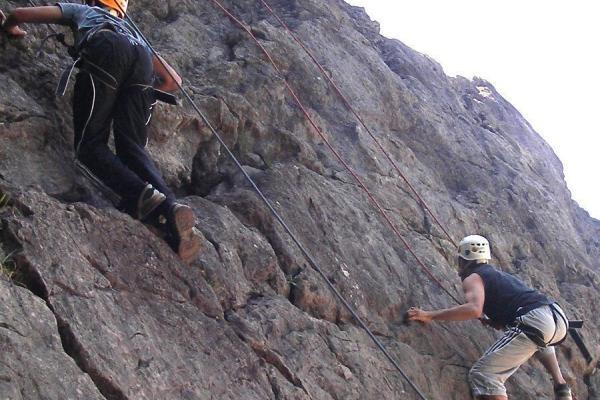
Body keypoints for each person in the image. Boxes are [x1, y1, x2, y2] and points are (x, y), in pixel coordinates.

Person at [1, 0, 201, 263]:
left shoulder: (86, 11)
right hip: (140, 59)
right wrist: (134, 89)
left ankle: (142, 194)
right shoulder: (131, 31)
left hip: (106, 48)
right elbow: (172, 80)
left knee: (89, 147)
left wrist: (10, 26)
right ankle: (172, 209)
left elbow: (20, 14)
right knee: (132, 148)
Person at [408, 235, 572, 400]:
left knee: (484, 375)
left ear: (463, 260)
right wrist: (498, 320)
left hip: (536, 320)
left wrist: (429, 315)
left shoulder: (473, 277)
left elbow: (473, 309)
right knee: (537, 338)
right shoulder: (496, 275)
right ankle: (561, 386)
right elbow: (515, 301)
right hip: (556, 318)